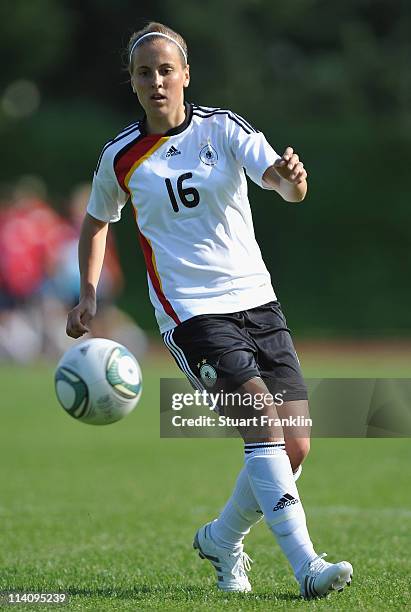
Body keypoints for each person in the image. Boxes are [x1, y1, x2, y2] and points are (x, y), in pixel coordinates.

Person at [66, 21, 353, 600]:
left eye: (166, 69)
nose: (156, 80)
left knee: (295, 444)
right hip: (191, 314)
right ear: (132, 82)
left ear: (186, 74)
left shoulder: (222, 130)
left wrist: (293, 181)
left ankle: (221, 540)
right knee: (261, 425)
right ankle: (306, 567)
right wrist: (89, 291)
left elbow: (279, 181)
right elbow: (98, 221)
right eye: (144, 72)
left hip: (258, 300)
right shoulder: (120, 157)